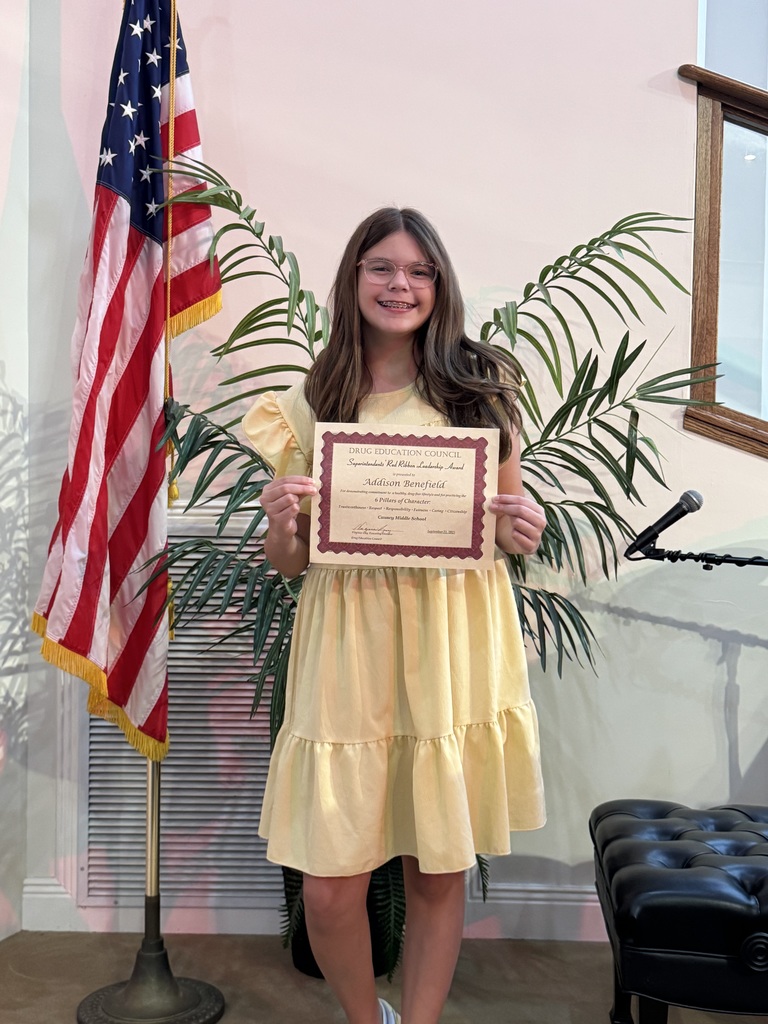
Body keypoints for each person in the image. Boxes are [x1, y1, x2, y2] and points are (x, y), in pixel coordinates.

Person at [242, 208, 547, 1024]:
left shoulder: (479, 388)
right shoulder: (315, 395)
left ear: (438, 285)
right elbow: (293, 564)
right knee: (331, 887)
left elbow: (509, 518)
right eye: (381, 267)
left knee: (437, 868)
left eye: (418, 271)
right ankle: (361, 1015)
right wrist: (281, 522)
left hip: (450, 640)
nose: (399, 284)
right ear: (353, 279)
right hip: (346, 645)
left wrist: (522, 525)